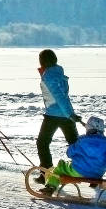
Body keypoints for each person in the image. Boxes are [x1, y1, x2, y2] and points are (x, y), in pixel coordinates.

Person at [41, 116, 106, 194]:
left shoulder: (81, 141)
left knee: (58, 169)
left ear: (88, 129)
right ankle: (93, 183)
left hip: (78, 171)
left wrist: (73, 149)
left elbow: (69, 153)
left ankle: (50, 187)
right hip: (97, 174)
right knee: (93, 167)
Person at [34, 49, 80, 184]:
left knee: (42, 143)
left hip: (54, 115)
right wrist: (70, 114)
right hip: (65, 115)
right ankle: (86, 170)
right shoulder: (58, 72)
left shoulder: (49, 76)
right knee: (75, 144)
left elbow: (59, 97)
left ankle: (46, 174)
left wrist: (70, 114)